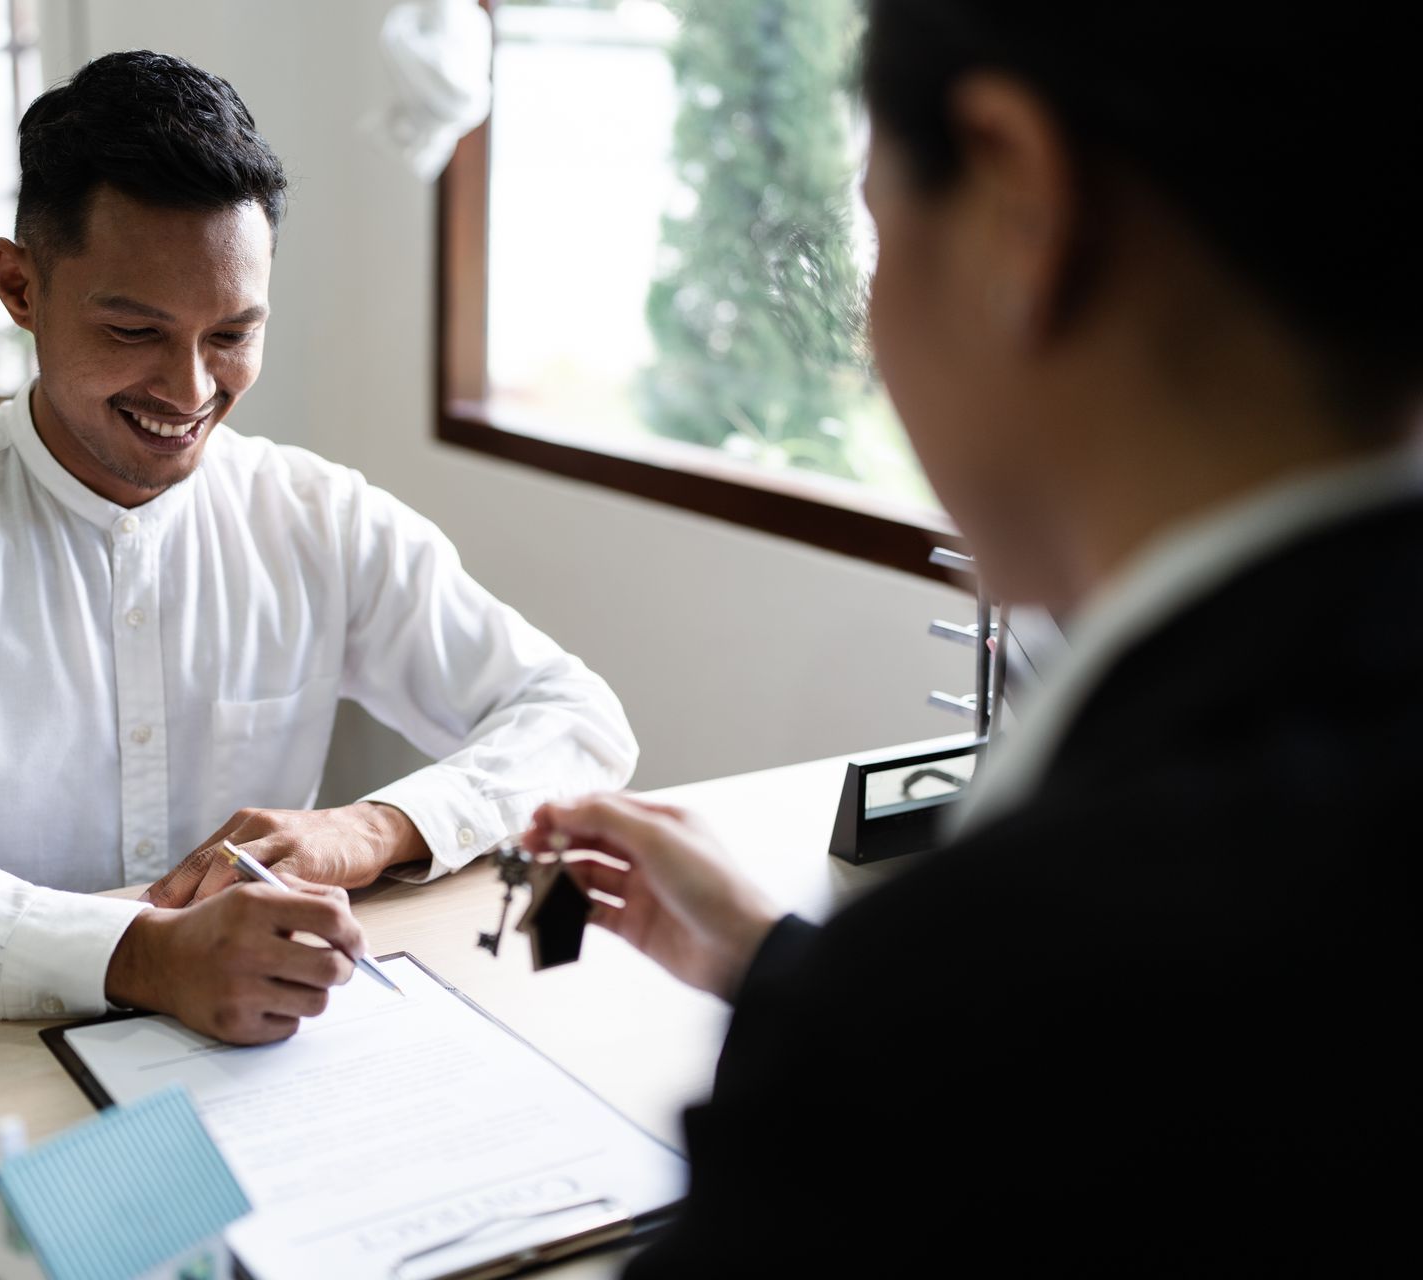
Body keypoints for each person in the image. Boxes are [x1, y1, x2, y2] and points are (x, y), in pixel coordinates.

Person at [526, 0, 1420, 1267]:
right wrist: (777, 961)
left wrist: (846, 1011)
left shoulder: (970, 1003)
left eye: (881, 232)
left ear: (1020, 204)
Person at [0, 51, 635, 1044]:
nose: (190, 391)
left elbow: (577, 719)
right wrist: (132, 951)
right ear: (19, 286)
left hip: (264, 1049)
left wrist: (365, 827)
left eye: (232, 334)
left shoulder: (319, 518)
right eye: (136, 329)